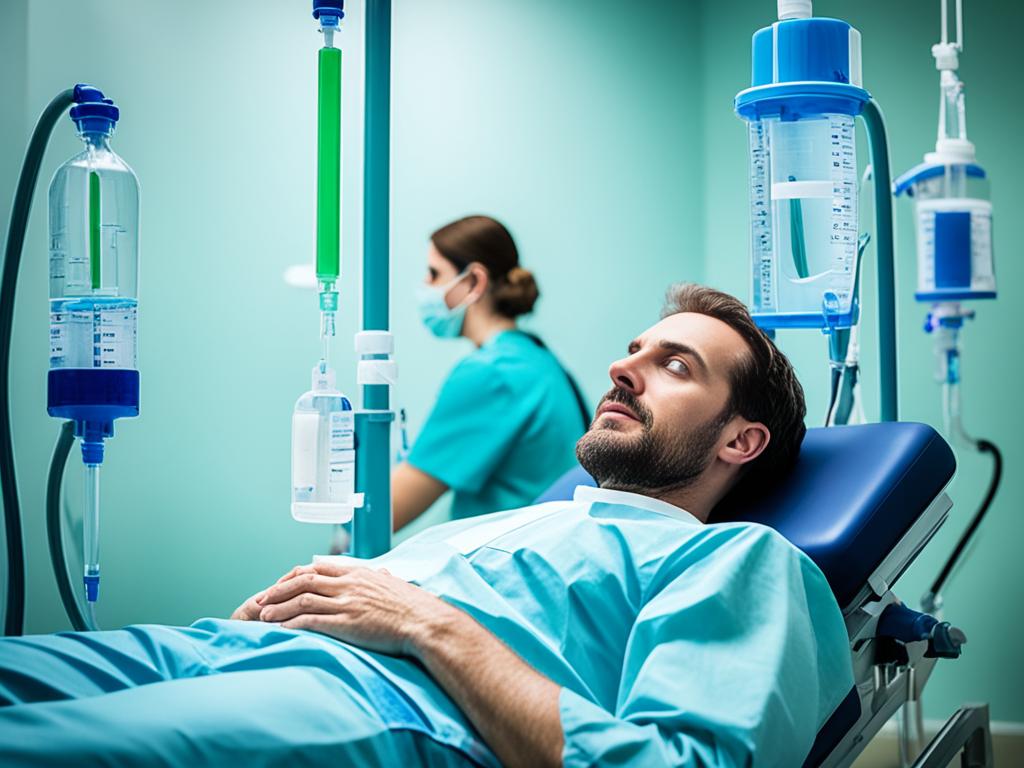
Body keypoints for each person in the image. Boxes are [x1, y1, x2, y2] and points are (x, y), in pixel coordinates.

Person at [0, 284, 853, 768]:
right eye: (633, 348)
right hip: (223, 650)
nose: (623, 368)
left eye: (675, 365)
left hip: (382, 707)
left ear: (742, 440)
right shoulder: (537, 519)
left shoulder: (739, 558)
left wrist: (423, 624)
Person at [392, 215, 589, 531]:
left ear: (474, 282)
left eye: (434, 274)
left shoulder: (492, 375)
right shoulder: (532, 356)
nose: (424, 288)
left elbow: (387, 511)